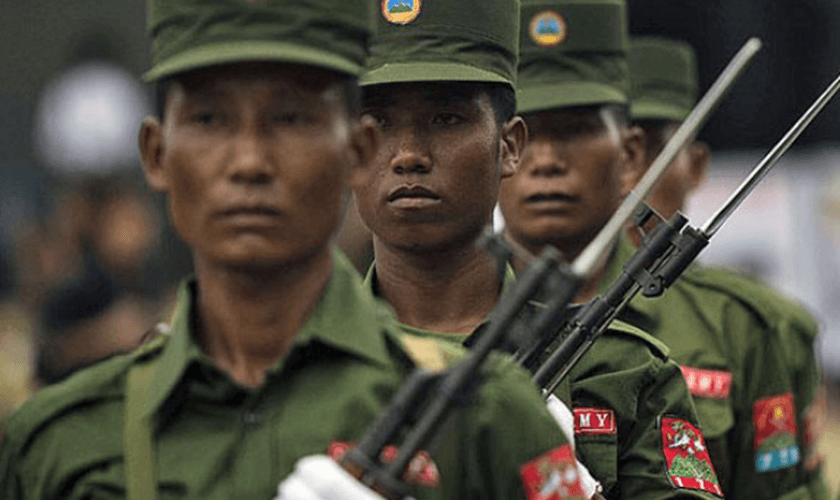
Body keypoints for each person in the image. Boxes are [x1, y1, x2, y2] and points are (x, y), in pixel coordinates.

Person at [0, 0, 578, 499]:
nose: (249, 161)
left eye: (291, 118)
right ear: (156, 153)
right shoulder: (60, 444)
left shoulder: (489, 419)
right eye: (209, 118)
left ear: (356, 148)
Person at [355, 0, 721, 498]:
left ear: (508, 147)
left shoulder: (618, 369)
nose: (409, 155)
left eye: (445, 119)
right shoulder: (285, 365)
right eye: (377, 123)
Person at [596, 36, 830, 500]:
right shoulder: (486, 304)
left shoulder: (755, 327)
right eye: (595, 143)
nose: (627, 175)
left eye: (652, 150)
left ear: (697, 165)